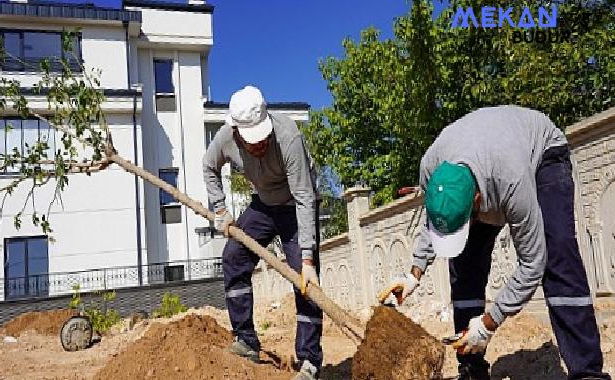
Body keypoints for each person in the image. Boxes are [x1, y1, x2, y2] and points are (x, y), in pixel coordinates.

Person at [378, 106, 610, 380]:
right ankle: (471, 368)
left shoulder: (510, 181)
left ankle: (587, 372)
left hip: (541, 153)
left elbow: (533, 263)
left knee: (557, 252)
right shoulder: (431, 169)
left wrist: (489, 323)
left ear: (478, 200)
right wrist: (413, 274)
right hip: (485, 153)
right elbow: (437, 216)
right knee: (463, 266)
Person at [203, 85, 323, 380]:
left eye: (262, 138)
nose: (258, 146)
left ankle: (309, 361)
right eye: (251, 140)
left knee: (303, 281)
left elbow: (305, 197)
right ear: (236, 131)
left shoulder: (288, 136)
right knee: (233, 257)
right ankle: (246, 340)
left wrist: (307, 260)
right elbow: (208, 167)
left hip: (296, 205)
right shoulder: (225, 138)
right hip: (263, 205)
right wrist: (220, 209)